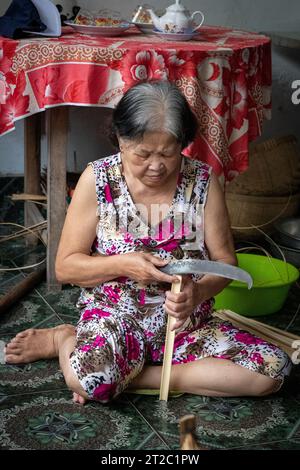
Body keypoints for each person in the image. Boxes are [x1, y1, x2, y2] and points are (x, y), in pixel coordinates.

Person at [4, 81, 291, 404]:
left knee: (272, 370)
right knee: (89, 381)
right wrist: (122, 264)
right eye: (143, 153)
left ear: (182, 143)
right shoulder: (97, 180)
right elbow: (66, 267)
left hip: (185, 328)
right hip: (115, 319)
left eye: (169, 153)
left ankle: (137, 377)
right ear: (121, 140)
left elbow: (226, 263)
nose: (156, 166)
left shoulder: (202, 181)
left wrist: (197, 293)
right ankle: (64, 339)